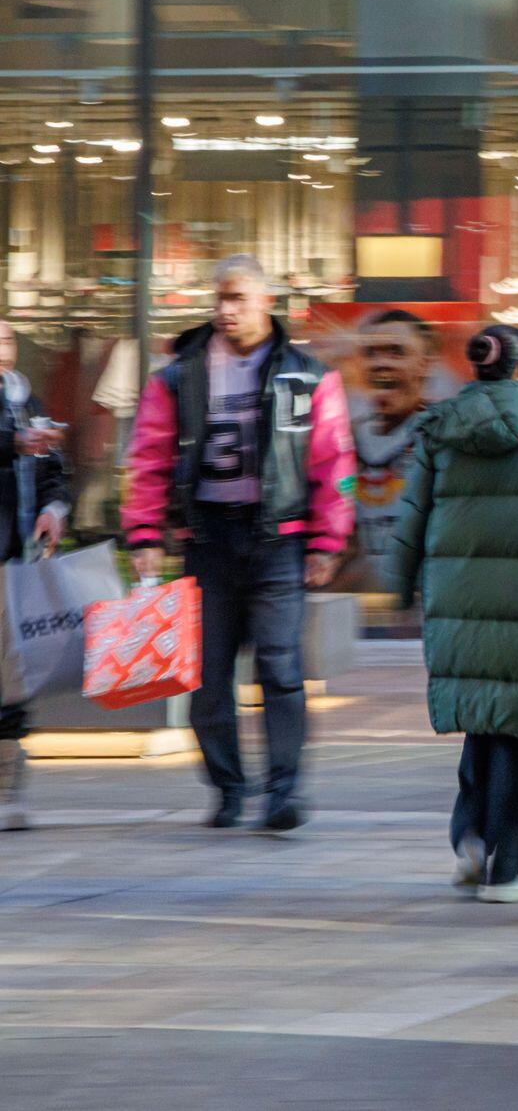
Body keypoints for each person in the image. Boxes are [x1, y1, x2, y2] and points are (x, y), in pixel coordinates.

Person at [122, 255, 355, 831]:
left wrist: (327, 542)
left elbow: (332, 461)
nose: (226, 310)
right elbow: (149, 456)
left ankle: (282, 793)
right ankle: (228, 789)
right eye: (220, 299)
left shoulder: (307, 375)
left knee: (280, 667)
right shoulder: (180, 374)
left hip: (278, 540)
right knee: (209, 676)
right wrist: (144, 532)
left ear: (266, 303)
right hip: (209, 540)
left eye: (238, 299)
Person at [389, 325, 518, 903]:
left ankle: (470, 839)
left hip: (457, 598)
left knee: (481, 716)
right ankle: (505, 871)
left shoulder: (441, 428)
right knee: (517, 730)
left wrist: (399, 588)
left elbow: (411, 514)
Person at [0, 319, 70, 831]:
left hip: (15, 561)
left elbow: (54, 468)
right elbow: (18, 445)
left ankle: (8, 787)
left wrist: (54, 506)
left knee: (12, 674)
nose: (2, 345)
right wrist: (15, 443)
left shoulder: (24, 398)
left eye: (6, 337)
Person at [346, 309, 438, 593]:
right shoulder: (345, 440)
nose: (381, 363)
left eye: (397, 352)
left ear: (424, 364)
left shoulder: (446, 436)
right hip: (363, 600)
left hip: (428, 599)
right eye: (371, 353)